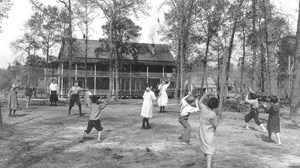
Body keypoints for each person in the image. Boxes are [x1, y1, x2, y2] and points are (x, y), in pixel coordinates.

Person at [198, 91, 220, 168]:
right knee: (210, 151)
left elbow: (199, 102)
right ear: (215, 106)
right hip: (209, 134)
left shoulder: (203, 108)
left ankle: (206, 154)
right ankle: (208, 166)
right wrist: (219, 117)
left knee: (206, 148)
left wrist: (205, 95)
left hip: (202, 132)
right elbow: (215, 125)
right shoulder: (213, 114)